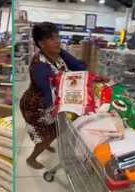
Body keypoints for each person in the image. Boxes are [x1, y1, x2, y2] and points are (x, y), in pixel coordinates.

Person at [19, 22, 88, 169]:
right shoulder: (39, 64)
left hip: (49, 102)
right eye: (51, 39)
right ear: (41, 43)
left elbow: (81, 68)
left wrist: (61, 51)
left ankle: (44, 142)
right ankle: (31, 158)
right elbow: (49, 93)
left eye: (57, 37)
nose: (57, 41)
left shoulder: (57, 55)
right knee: (51, 133)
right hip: (36, 105)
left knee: (54, 129)